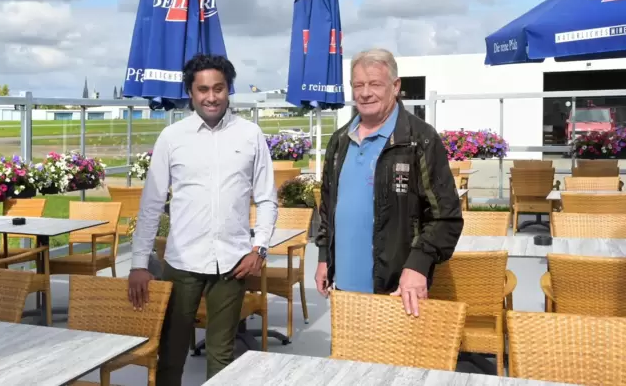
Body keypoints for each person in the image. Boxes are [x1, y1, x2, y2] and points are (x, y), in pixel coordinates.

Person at [128, 54, 278, 385]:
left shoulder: (250, 135)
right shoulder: (172, 137)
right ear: (191, 93)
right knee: (170, 352)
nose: (211, 97)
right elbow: (151, 204)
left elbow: (267, 198)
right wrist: (139, 263)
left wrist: (260, 249)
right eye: (203, 89)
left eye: (219, 88)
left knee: (222, 354)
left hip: (233, 263)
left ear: (228, 90)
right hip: (182, 263)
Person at [314, 48, 463, 316]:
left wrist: (418, 265)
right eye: (358, 85)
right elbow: (328, 206)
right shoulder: (339, 141)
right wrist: (324, 257)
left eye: (375, 84)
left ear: (395, 87)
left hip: (397, 291)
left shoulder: (420, 140)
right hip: (343, 290)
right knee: (345, 359)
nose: (365, 93)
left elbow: (446, 217)